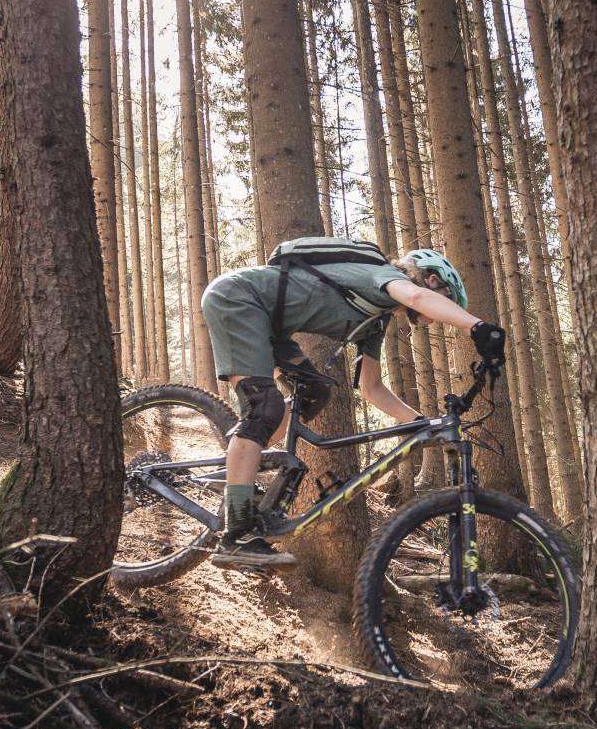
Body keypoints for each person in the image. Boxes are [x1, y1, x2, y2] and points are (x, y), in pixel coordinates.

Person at [198, 238, 508, 568]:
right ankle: (237, 534)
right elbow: (418, 297)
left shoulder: (377, 318)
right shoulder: (380, 276)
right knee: (264, 408)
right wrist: (477, 326)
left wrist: (418, 421)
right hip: (238, 297)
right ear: (433, 280)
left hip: (267, 323)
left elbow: (371, 388)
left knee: (315, 394)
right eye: (446, 297)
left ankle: (236, 471)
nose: (437, 312)